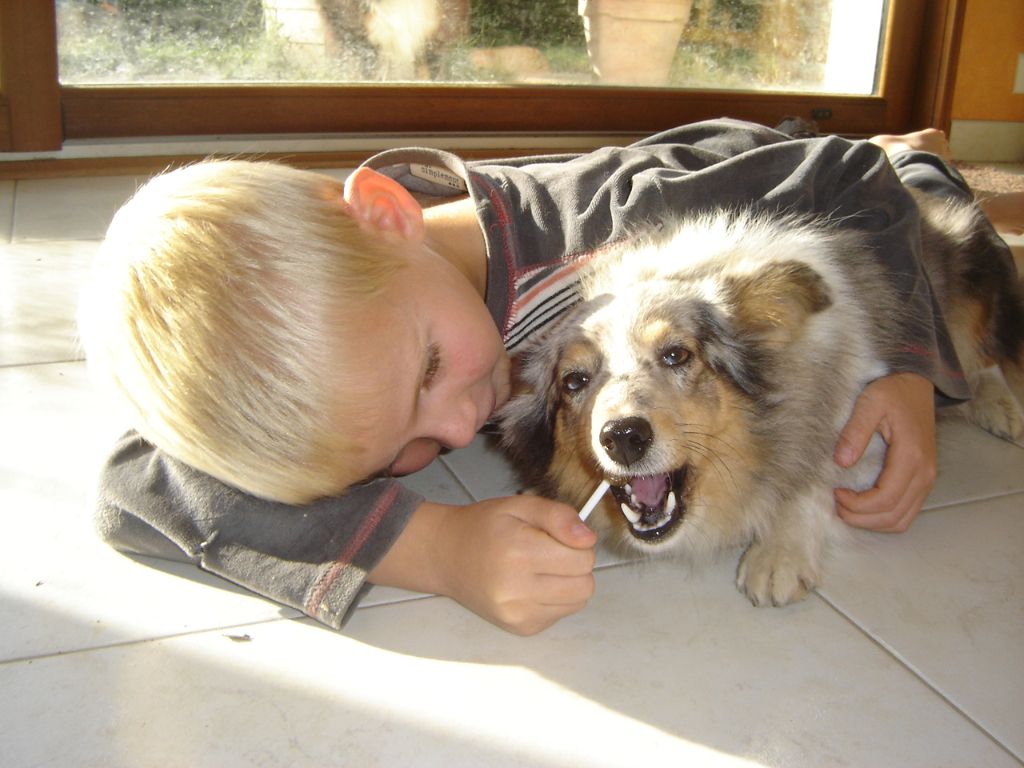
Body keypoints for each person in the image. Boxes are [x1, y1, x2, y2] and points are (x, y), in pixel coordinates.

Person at [80, 119, 998, 635]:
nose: (454, 424)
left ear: (390, 217)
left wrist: (912, 368)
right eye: (406, 447)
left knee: (951, 247)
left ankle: (924, 148)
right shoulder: (368, 344)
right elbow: (135, 486)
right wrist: (437, 549)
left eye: (433, 370)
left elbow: (844, 175)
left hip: (769, 169)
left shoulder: (624, 209)